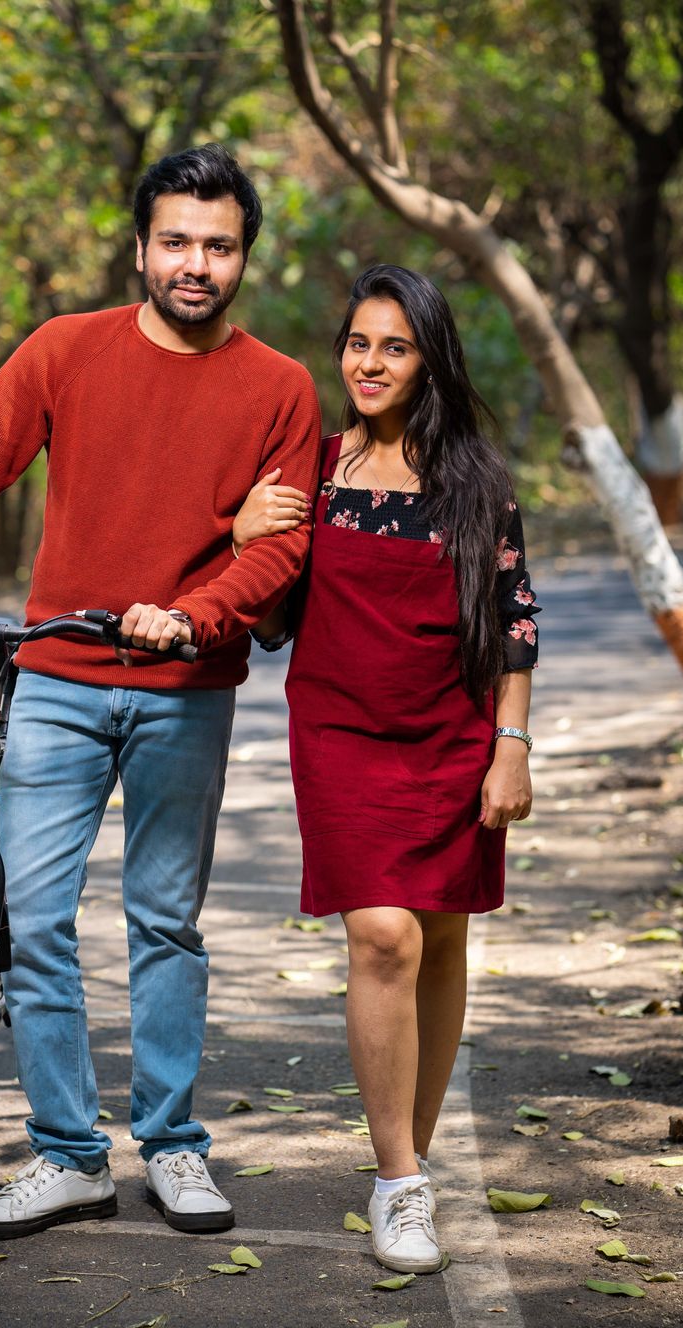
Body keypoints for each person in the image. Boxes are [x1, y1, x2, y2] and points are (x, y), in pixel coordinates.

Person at [0, 144, 322, 1240]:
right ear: (140, 246)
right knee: (33, 921)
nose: (196, 263)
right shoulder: (65, 351)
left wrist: (192, 614)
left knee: (163, 924)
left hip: (187, 686)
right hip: (55, 681)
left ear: (244, 259)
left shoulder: (280, 388)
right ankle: (68, 1156)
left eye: (218, 246)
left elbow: (278, 555)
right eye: (176, 241)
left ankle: (175, 1147)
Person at [232, 265, 539, 1274]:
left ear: (427, 358)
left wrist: (510, 746)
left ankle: (414, 1152)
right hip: (340, 732)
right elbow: (270, 617)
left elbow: (512, 622)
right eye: (357, 344)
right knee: (383, 937)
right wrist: (245, 540)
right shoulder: (312, 470)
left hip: (451, 733)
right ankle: (398, 1184)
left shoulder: (477, 482)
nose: (369, 363)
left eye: (393, 346)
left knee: (441, 939)